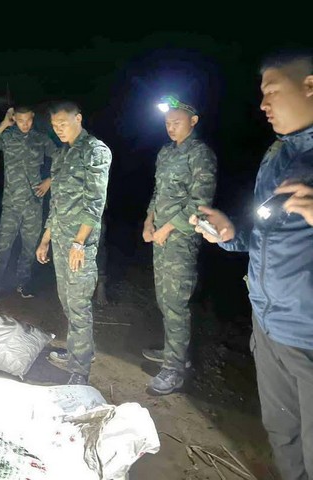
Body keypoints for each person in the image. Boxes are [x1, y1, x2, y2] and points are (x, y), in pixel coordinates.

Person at [191, 49, 312, 479]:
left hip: (309, 338)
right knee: (283, 434)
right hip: (269, 327)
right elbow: (266, 236)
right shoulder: (278, 155)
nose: (262, 104)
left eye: (272, 91)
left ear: (310, 86)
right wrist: (230, 235)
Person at [140, 95, 217, 395]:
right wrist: (149, 222)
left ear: (193, 121)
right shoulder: (166, 152)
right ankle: (175, 351)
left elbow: (200, 203)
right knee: (165, 299)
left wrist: (167, 229)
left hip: (181, 239)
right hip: (160, 236)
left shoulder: (200, 154)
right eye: (167, 123)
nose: (170, 127)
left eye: (176, 122)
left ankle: (174, 368)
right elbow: (158, 192)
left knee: (176, 302)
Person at [36, 101, 111, 385]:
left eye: (63, 124)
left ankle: (80, 371)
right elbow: (56, 204)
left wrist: (79, 243)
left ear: (78, 119)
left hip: (79, 245)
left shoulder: (95, 151)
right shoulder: (61, 154)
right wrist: (45, 239)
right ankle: (78, 352)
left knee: (79, 306)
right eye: (54, 126)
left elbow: (95, 203)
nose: (58, 129)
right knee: (67, 301)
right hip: (60, 241)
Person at [0, 106, 57, 303]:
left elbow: (62, 158)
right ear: (14, 118)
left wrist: (49, 180)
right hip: (11, 204)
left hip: (33, 203)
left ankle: (24, 283)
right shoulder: (7, 136)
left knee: (29, 248)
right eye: (20, 120)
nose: (25, 124)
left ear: (33, 118)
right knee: (2, 247)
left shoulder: (40, 138)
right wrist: (4, 124)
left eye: (28, 120)